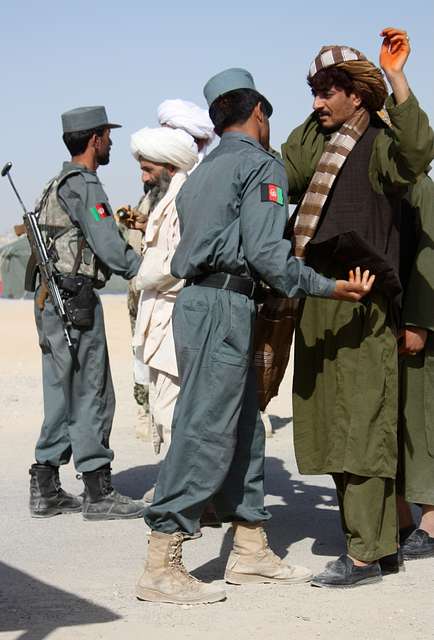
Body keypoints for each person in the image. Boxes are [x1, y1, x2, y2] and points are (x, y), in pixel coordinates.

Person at [135, 67, 374, 605]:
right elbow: (269, 256)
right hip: (225, 305)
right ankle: (162, 557)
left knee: (244, 427)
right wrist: (328, 287)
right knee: (204, 430)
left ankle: (249, 549)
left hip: (200, 303)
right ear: (259, 113)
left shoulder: (201, 170)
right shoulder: (258, 165)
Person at [281, 29, 434, 587]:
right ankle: (380, 545)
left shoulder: (380, 147)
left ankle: (366, 555)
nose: (318, 102)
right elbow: (290, 171)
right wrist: (320, 109)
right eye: (314, 91)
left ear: (357, 95)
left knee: (364, 427)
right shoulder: (317, 141)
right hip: (320, 299)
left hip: (364, 302)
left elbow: (419, 152)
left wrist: (391, 79)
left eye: (329, 91)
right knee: (332, 427)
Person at [29, 106, 145, 521]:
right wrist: (149, 270)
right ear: (95, 139)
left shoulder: (53, 184)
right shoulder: (84, 185)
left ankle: (45, 486)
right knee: (92, 391)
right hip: (74, 303)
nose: (110, 142)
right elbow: (110, 247)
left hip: (51, 301)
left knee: (62, 391)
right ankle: (98, 491)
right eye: (107, 135)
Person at [130, 126, 198, 453]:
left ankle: (181, 498)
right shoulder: (163, 203)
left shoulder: (185, 201)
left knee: (173, 412)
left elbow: (179, 263)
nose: (143, 178)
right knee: (163, 409)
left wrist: (142, 274)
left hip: (175, 323)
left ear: (171, 168)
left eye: (148, 170)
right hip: (159, 322)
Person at [397, 174, 434, 560]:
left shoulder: (420, 187)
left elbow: (428, 255)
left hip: (416, 322)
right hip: (391, 318)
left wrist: (418, 321)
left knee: (422, 422)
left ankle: (432, 521)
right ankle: (403, 517)